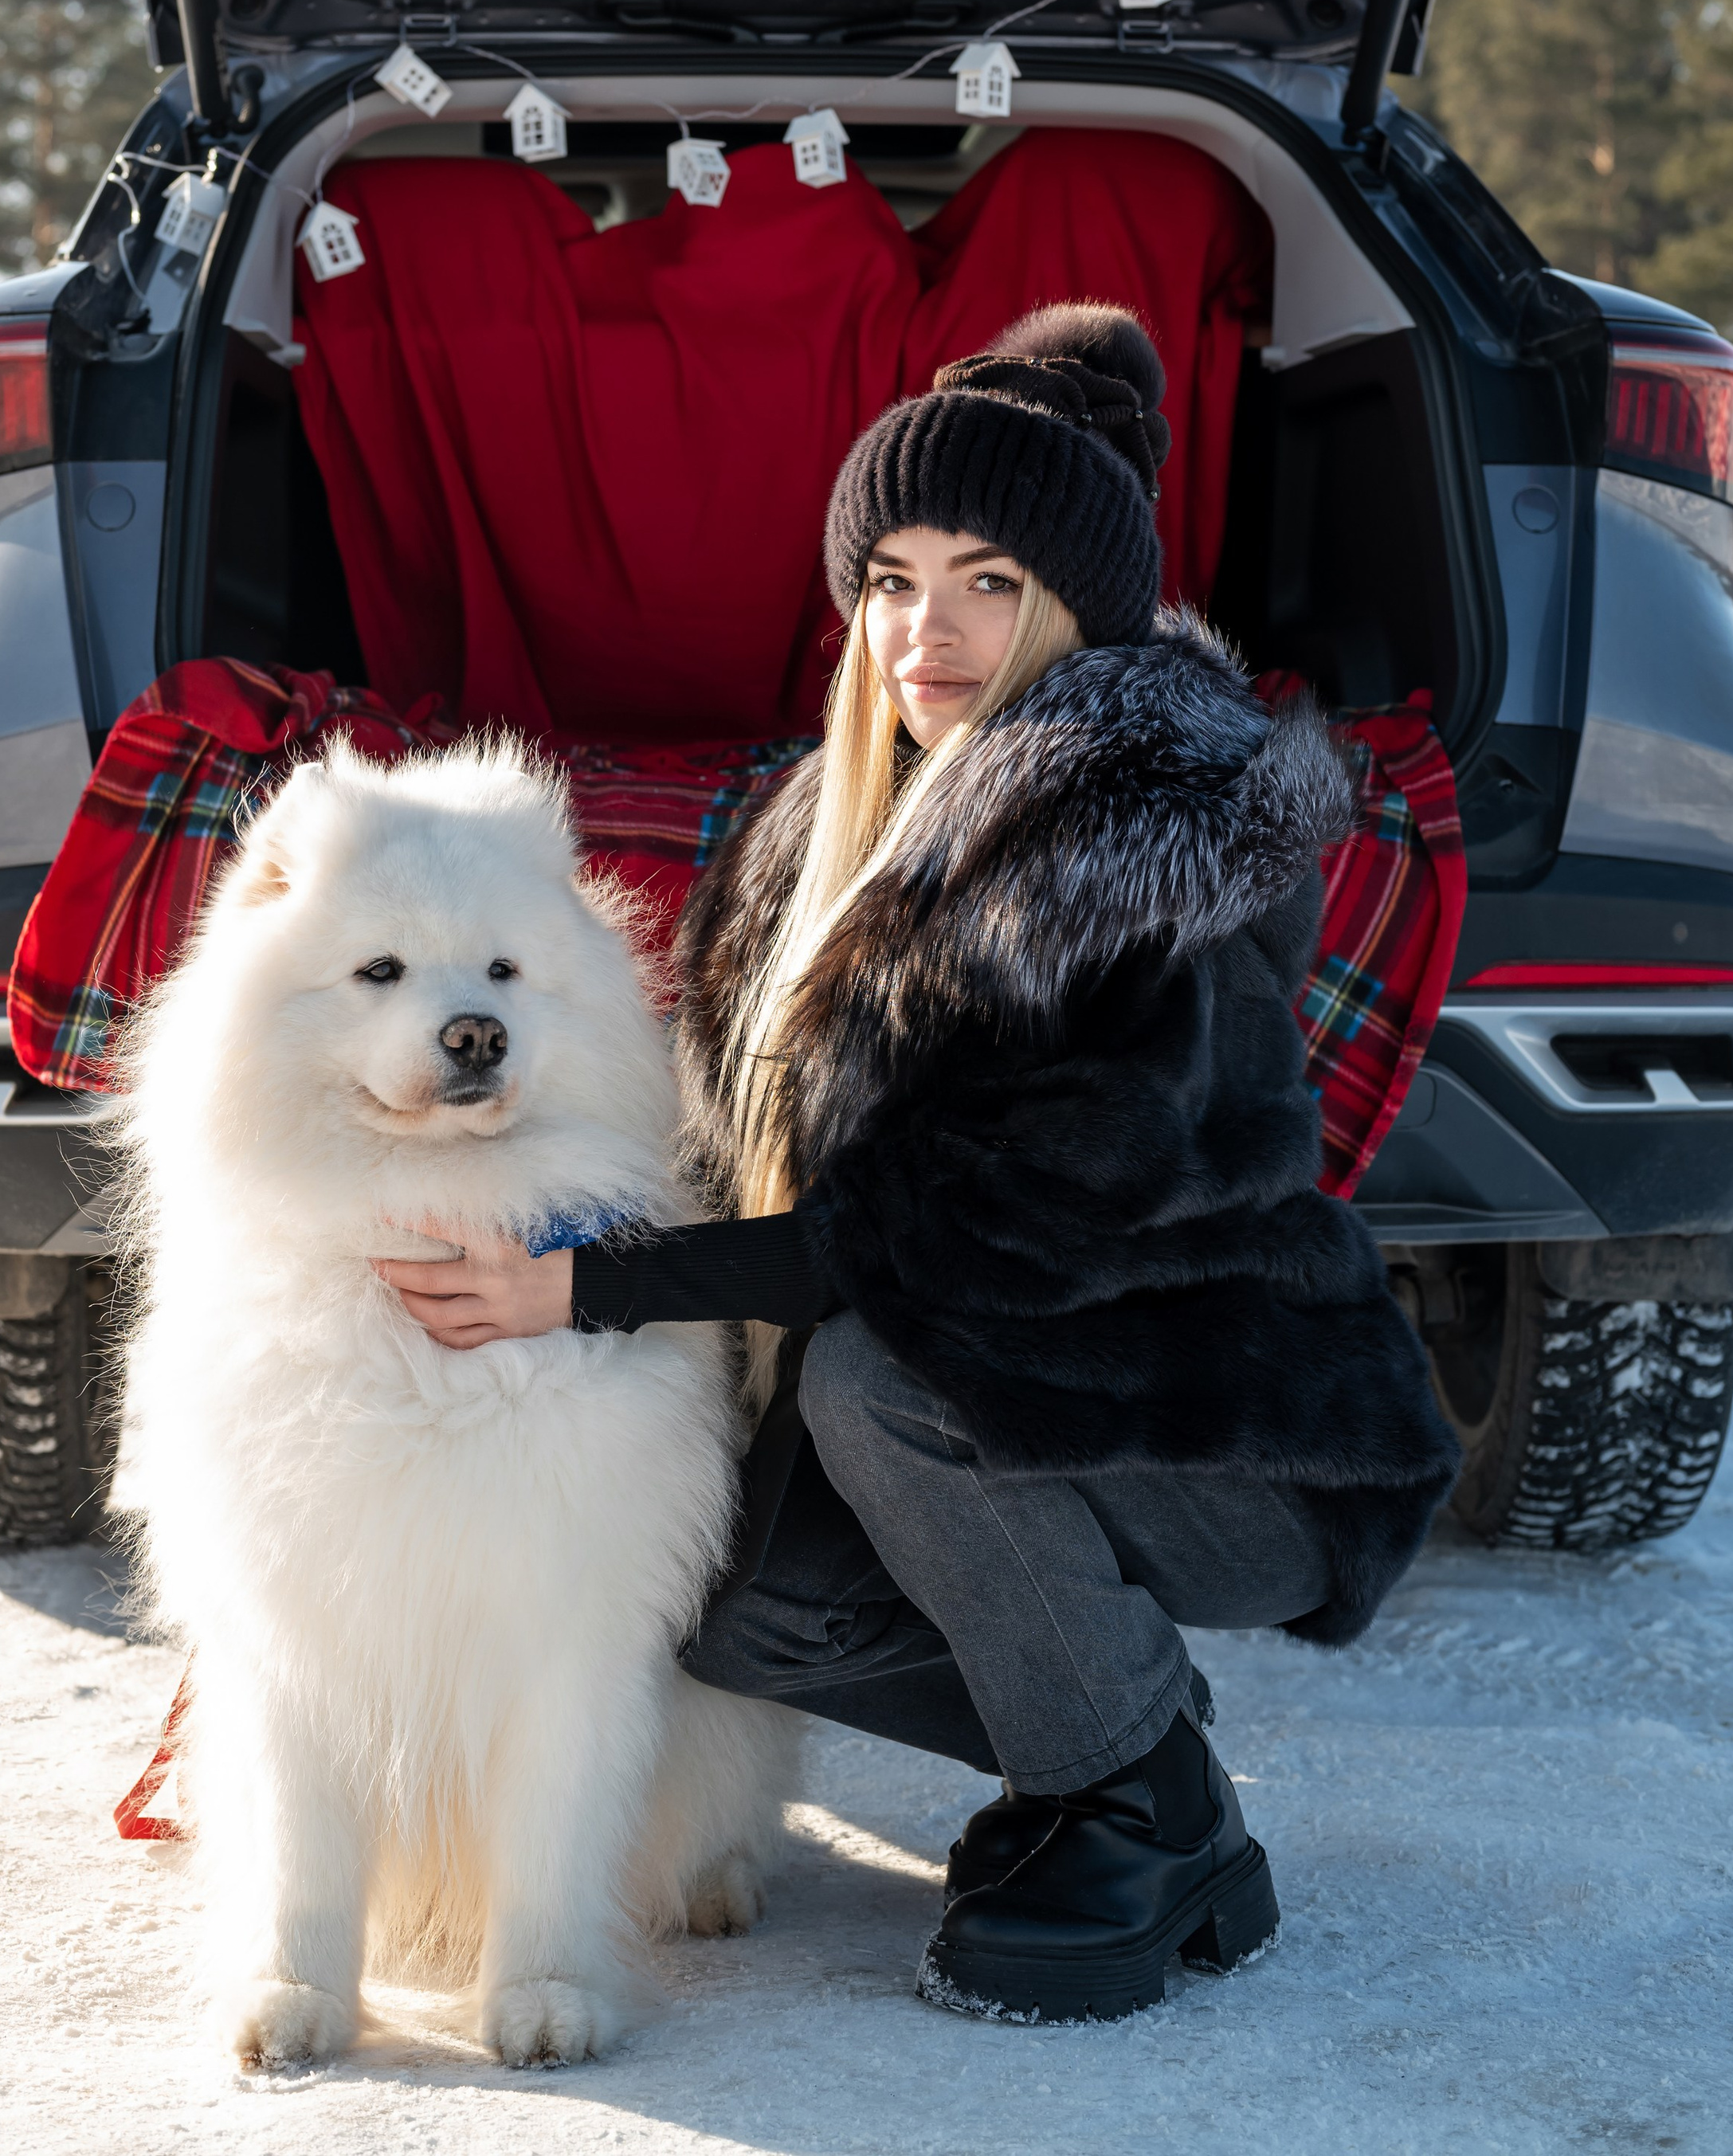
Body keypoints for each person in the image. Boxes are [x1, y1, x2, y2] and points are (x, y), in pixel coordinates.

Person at [377, 302, 1460, 2024]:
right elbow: (722, 1153)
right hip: (1036, 1403)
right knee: (742, 1612)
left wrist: (581, 1288)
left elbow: (963, 1236)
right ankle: (1123, 1742)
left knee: (883, 1384)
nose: (922, 629)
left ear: (1074, 606)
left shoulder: (1133, 846)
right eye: (888, 576)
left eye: (985, 580)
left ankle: (1136, 1808)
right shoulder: (827, 826)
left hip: (1219, 1427)